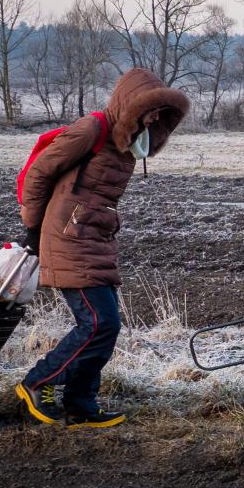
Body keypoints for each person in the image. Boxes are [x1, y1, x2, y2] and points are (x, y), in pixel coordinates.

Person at [15, 67, 189, 428]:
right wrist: (32, 227)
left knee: (106, 325)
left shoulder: (128, 142)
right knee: (98, 323)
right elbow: (40, 172)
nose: (155, 117)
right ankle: (38, 382)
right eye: (150, 109)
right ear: (130, 105)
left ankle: (80, 404)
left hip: (95, 237)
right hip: (68, 236)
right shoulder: (93, 129)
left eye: (160, 112)